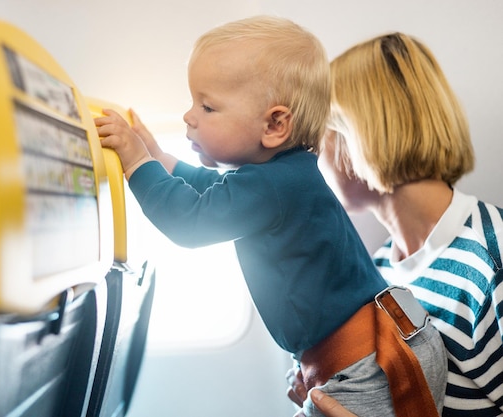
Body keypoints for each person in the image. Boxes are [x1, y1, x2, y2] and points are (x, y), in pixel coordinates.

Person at [95, 16, 446, 417]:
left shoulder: (274, 185)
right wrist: (159, 157)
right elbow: (212, 189)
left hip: (368, 365)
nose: (189, 116)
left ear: (275, 124)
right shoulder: (280, 177)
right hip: (383, 342)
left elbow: (191, 223)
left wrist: (138, 161)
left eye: (207, 106)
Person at [289, 31, 503, 416]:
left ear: (357, 139)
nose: (316, 160)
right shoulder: (381, 268)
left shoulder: (492, 259)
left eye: (320, 140)